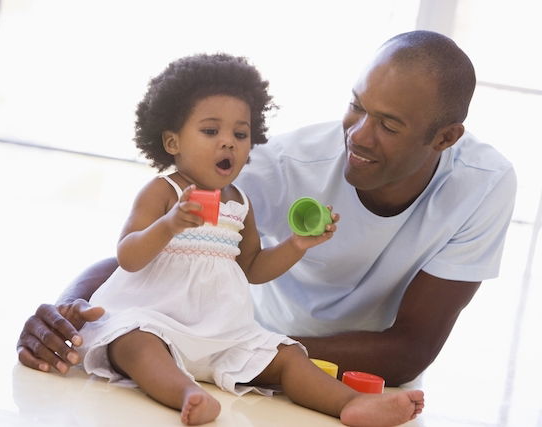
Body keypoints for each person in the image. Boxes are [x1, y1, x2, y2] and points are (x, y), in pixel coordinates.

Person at [17, 30, 516, 390]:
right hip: (240, 348)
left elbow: (408, 351)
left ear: (446, 138)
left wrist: (244, 351)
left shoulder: (482, 186)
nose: (358, 136)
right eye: (357, 106)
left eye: (388, 124)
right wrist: (70, 310)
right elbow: (161, 246)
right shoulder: (284, 165)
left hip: (330, 370)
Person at [64, 53, 425, 426]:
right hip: (157, 320)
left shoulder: (240, 202)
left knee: (286, 357)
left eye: (240, 134)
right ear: (172, 142)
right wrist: (170, 224)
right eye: (210, 131)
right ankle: (187, 393)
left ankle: (350, 403)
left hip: (221, 331)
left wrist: (296, 245)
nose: (228, 144)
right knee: (135, 343)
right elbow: (129, 256)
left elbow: (252, 267)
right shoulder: (165, 192)